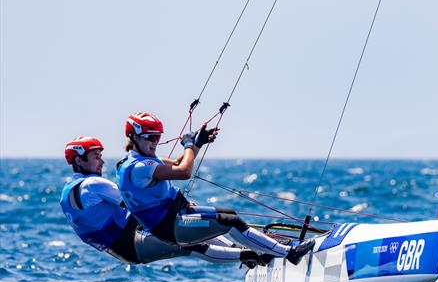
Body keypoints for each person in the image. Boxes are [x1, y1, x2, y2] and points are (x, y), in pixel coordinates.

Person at [116, 112, 314, 264]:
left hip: (175, 218)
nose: (155, 142)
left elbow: (177, 163)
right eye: (150, 138)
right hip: (171, 227)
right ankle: (290, 254)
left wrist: (197, 144)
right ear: (133, 137)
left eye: (157, 137)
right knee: (230, 220)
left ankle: (262, 254)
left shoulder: (138, 162)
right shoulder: (141, 167)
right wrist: (187, 145)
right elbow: (184, 172)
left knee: (228, 218)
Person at [60, 136, 265, 267]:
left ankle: (243, 251)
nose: (102, 161)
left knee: (193, 230)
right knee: (190, 243)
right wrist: (175, 205)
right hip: (133, 242)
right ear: (79, 161)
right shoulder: (94, 184)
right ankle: (252, 256)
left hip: (122, 250)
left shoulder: (66, 193)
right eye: (96, 156)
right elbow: (134, 203)